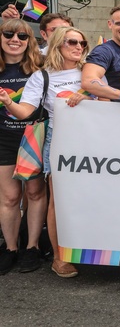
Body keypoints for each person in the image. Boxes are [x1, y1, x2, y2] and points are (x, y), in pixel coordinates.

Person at [0, 26, 91, 277]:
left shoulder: (89, 71)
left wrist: (87, 98)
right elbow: (25, 111)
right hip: (59, 141)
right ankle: (59, 258)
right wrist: (8, 102)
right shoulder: (42, 77)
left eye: (82, 43)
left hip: (91, 141)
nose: (78, 47)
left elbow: (106, 101)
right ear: (58, 44)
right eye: (72, 42)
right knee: (58, 200)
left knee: (88, 197)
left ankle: (92, 250)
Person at [0, 19, 44, 274]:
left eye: (22, 36)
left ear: (29, 41)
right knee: (9, 197)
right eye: (8, 34)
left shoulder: (40, 67)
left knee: (35, 193)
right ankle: (10, 248)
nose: (15, 40)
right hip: (4, 138)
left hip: (33, 137)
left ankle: (32, 247)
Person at [81, 5, 120, 108]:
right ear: (110, 24)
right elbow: (88, 81)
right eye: (119, 23)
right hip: (114, 114)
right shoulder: (104, 51)